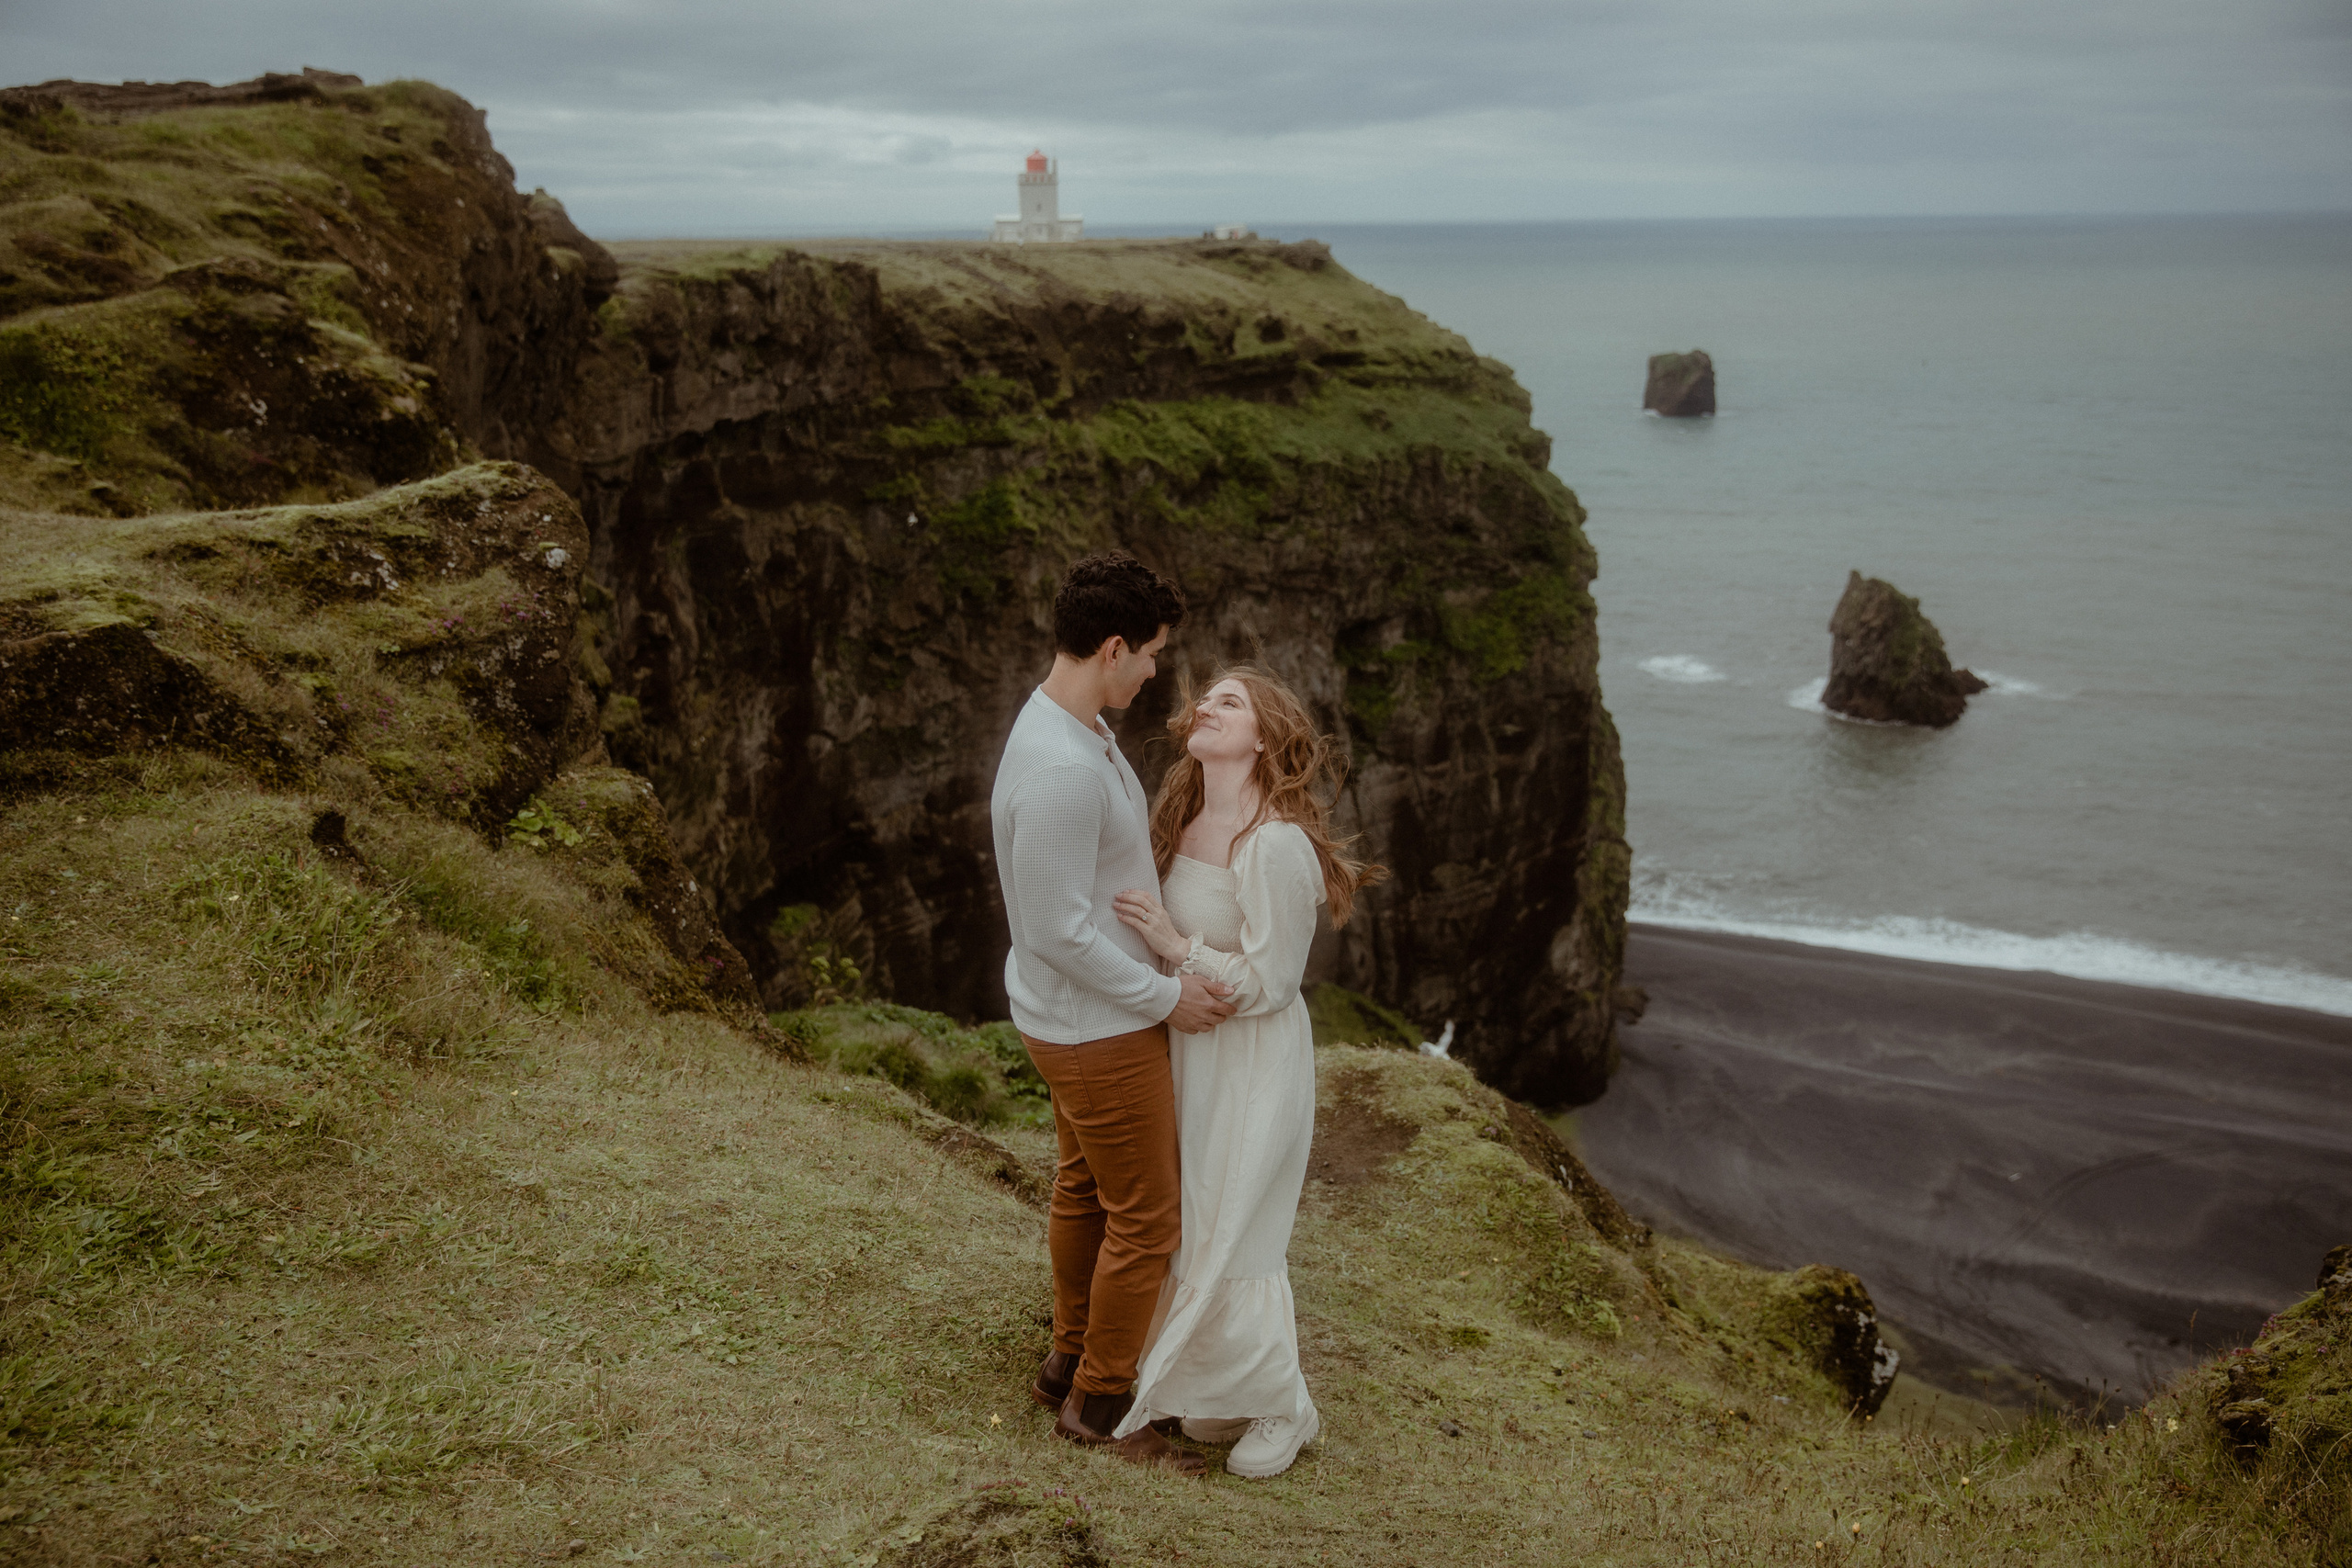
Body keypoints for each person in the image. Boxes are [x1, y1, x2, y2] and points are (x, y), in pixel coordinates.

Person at [989, 550, 1236, 1476]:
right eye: (1151, 657)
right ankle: (1101, 1399)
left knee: (1084, 1186)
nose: (1155, 675)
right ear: (1114, 645)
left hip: (1073, 1019)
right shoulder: (1062, 765)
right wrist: (1167, 995)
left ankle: (1068, 1357)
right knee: (1147, 1219)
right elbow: (1056, 933)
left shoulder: (1067, 726)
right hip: (1094, 1029)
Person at [1109, 663, 1385, 1479]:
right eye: (1206, 697)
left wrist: (1174, 945)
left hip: (1255, 1057)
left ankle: (1286, 1405)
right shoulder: (1183, 813)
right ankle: (1219, 1385)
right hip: (1193, 1048)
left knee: (1241, 1230)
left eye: (1229, 702)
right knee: (1196, 1221)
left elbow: (1270, 982)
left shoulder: (1276, 843)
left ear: (1263, 736)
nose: (1206, 707)